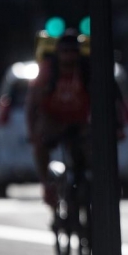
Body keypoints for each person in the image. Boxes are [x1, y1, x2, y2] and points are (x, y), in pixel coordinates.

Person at [26, 30, 93, 207]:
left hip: (79, 123)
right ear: (58, 53)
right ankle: (47, 186)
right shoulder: (48, 70)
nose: (69, 57)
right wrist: (33, 131)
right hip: (53, 122)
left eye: (73, 51)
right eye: (65, 52)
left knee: (90, 152)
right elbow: (32, 104)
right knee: (40, 146)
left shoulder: (87, 71)